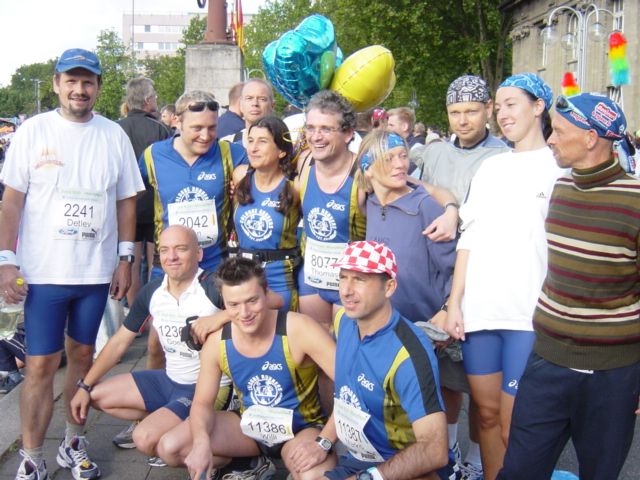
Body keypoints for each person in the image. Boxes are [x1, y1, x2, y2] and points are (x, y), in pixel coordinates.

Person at [0, 48, 144, 480]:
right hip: (44, 272)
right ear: (57, 83)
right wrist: (6, 261)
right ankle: (31, 455)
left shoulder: (113, 135)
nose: (80, 89)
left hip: (95, 270)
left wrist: (125, 259)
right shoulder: (33, 131)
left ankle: (71, 442)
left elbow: (126, 200)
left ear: (99, 87)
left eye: (88, 82)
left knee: (83, 357)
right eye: (72, 81)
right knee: (41, 364)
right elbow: (12, 202)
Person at [498, 94, 640, 480]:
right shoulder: (560, 189)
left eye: (559, 131)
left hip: (612, 375)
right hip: (547, 363)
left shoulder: (635, 202)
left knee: (599, 473)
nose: (551, 140)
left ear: (592, 137)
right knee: (519, 471)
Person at [444, 73, 565, 480]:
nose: (503, 113)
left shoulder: (559, 168)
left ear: (538, 106)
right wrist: (454, 303)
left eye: (512, 103)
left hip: (529, 316)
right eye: (499, 105)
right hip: (481, 313)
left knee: (519, 426)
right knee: (487, 417)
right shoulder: (492, 168)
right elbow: (469, 237)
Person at [156, 257, 337, 480]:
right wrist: (202, 443)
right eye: (233, 305)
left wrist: (324, 442)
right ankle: (247, 463)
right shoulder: (217, 343)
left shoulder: (300, 328)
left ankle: (295, 467)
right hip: (249, 428)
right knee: (170, 447)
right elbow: (202, 402)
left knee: (313, 476)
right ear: (224, 302)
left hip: (300, 429)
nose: (244, 313)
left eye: (252, 301)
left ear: (266, 294)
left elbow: (350, 389)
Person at [69, 226, 233, 463]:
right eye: (165, 250)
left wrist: (221, 316)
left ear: (198, 253)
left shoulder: (212, 285)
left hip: (204, 389)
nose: (172, 256)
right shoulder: (153, 290)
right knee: (95, 395)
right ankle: (176, 422)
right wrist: (84, 385)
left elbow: (266, 302)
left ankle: (236, 458)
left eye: (181, 249)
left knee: (145, 439)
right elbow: (119, 342)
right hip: (169, 380)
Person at [415, 74, 509, 480]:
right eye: (455, 112)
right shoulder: (432, 153)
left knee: (481, 387)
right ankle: (448, 452)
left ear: (488, 109)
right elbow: (413, 188)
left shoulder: (504, 157)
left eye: (472, 111)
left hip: (483, 281)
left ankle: (475, 461)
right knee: (447, 382)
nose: (464, 120)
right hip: (434, 281)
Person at [320, 241, 448, 479]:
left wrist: (369, 478)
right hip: (358, 459)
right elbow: (346, 397)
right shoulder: (344, 322)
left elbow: (434, 449)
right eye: (343, 277)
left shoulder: (408, 354)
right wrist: (323, 441)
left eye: (359, 280)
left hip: (402, 467)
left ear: (389, 287)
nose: (346, 290)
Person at [140, 90, 247, 278]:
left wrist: (243, 177)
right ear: (177, 122)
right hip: (168, 267)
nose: (205, 136)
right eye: (197, 128)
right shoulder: (153, 156)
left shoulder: (231, 154)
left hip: (214, 268)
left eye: (212, 128)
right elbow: (130, 201)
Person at [358, 129, 456, 325]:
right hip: (382, 324)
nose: (401, 164)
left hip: (424, 327)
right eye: (389, 158)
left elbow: (455, 269)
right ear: (368, 169)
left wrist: (448, 309)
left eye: (403, 156)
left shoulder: (424, 206)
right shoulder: (370, 203)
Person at [233, 116, 301, 312]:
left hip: (281, 279)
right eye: (251, 140)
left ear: (281, 150)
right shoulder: (240, 176)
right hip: (244, 275)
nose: (253, 149)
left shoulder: (295, 186)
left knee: (282, 338)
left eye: (262, 142)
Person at [117, 77, 170, 311]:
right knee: (154, 263)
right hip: (155, 203)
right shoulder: (160, 129)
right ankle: (153, 312)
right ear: (148, 100)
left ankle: (134, 314)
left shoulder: (116, 128)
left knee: (131, 260)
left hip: (126, 204)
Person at [221, 79, 275, 147]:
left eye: (262, 99)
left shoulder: (285, 143)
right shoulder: (227, 145)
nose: (255, 103)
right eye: (249, 98)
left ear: (272, 106)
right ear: (241, 105)